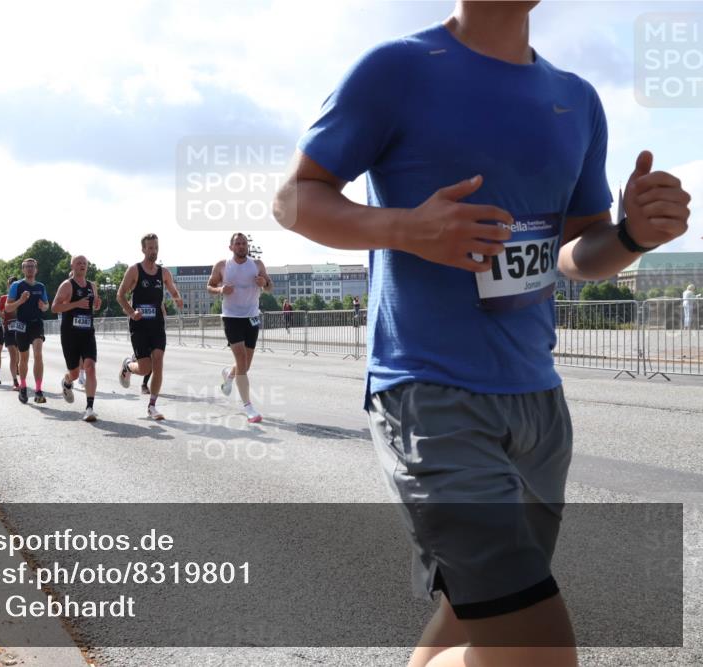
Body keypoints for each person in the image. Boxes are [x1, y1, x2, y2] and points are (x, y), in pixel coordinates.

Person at [273, 2, 691, 666]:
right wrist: (406, 227)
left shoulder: (575, 99)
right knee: (538, 647)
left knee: (475, 620)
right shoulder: (397, 68)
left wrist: (634, 236)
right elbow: (293, 197)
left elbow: (574, 252)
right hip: (429, 394)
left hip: (537, 405)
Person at [116, 233, 184, 420]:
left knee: (159, 362)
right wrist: (131, 312)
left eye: (156, 247)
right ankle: (128, 366)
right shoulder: (134, 270)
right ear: (144, 249)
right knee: (145, 368)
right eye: (150, 248)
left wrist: (178, 299)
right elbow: (120, 295)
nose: (154, 251)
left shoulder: (164, 272)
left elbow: (172, 290)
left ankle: (152, 406)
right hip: (139, 325)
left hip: (156, 324)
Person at [207, 233, 273, 423]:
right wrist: (220, 290)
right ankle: (249, 407)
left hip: (251, 317)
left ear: (247, 246)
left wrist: (264, 283)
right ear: (231, 247)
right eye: (238, 244)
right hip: (231, 317)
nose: (242, 246)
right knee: (242, 359)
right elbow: (209, 286)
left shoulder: (257, 265)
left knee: (246, 365)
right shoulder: (222, 265)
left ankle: (229, 374)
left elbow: (270, 287)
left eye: (244, 243)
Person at [52, 255, 102, 421]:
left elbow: (93, 305)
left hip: (87, 332)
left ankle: (89, 408)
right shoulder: (67, 285)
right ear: (72, 266)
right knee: (74, 373)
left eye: (84, 263)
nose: (82, 265)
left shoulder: (92, 286)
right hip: (70, 334)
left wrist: (97, 304)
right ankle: (67, 382)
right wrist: (76, 304)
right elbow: (54, 307)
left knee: (90, 367)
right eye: (78, 263)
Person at [5, 258, 50, 404]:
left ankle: (38, 390)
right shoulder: (16, 286)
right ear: (23, 269)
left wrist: (43, 306)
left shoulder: (41, 286)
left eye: (32, 266)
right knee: (23, 358)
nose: (30, 269)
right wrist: (20, 301)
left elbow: (46, 306)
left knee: (38, 354)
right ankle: (23, 387)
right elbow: (8, 308)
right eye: (27, 267)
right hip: (22, 324)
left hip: (36, 324)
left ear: (36, 270)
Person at [0, 276, 21, 389]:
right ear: (8, 286)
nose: (13, 285)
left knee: (19, 357)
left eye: (15, 284)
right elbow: (1, 313)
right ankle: (15, 381)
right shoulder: (4, 298)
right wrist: (3, 313)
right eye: (11, 284)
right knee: (13, 355)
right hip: (9, 329)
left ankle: (17, 368)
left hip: (21, 330)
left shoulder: (22, 297)